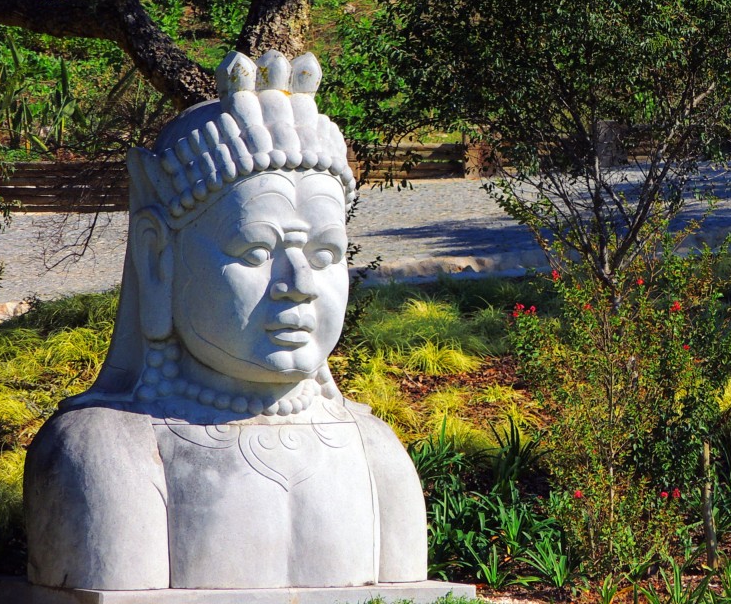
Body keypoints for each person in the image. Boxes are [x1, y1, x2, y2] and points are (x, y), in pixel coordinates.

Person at [23, 51, 428, 591]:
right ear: (158, 261)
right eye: (258, 250)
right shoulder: (105, 455)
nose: (300, 282)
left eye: (327, 254)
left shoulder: (377, 454)